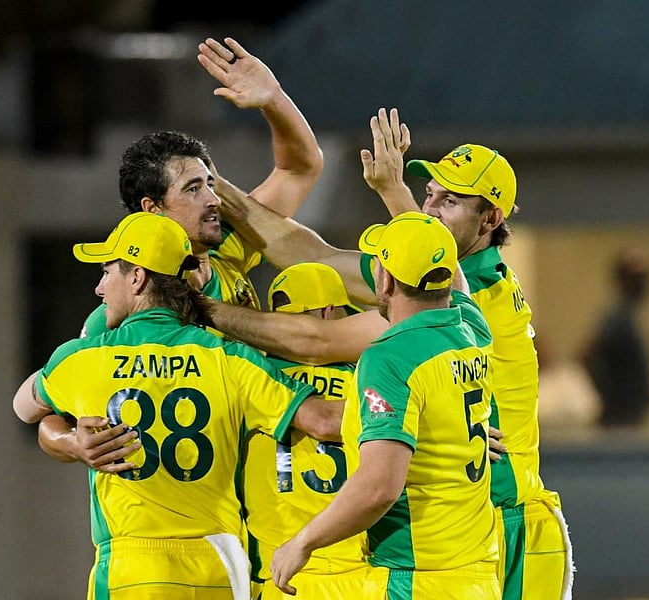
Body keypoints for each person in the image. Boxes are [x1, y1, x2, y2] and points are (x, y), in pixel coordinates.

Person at [209, 108, 574, 599]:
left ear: (490, 219)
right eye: (430, 195)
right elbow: (312, 255)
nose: (432, 209)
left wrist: (199, 310)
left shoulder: (465, 299)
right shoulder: (455, 298)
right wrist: (219, 189)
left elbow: (316, 341)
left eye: (451, 201)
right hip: (472, 532)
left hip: (508, 525)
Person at [12, 212, 343, 600]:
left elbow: (24, 408)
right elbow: (323, 421)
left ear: (137, 277)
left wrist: (70, 441)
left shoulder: (82, 358)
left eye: (107, 272)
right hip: (223, 565)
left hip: (136, 566)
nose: (100, 288)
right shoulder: (231, 358)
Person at [36, 36, 324, 469]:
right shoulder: (120, 315)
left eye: (210, 183)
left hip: (266, 495)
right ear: (153, 210)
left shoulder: (229, 247)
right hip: (198, 503)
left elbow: (301, 168)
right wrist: (72, 443)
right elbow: (46, 415)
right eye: (193, 189)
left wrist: (274, 101)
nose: (213, 198)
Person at [270, 212, 500, 598]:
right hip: (476, 574)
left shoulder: (389, 359)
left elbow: (379, 487)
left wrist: (303, 542)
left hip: (418, 577)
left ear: (386, 279)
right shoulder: (472, 330)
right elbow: (457, 282)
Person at [245, 263, 368, 598]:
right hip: (358, 573)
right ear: (329, 313)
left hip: (279, 574)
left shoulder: (251, 376)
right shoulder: (368, 378)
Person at [582, 245, 649, 426]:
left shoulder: (629, 316)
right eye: (636, 279)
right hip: (620, 419)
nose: (641, 285)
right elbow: (588, 354)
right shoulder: (618, 319)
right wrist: (611, 399)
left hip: (631, 416)